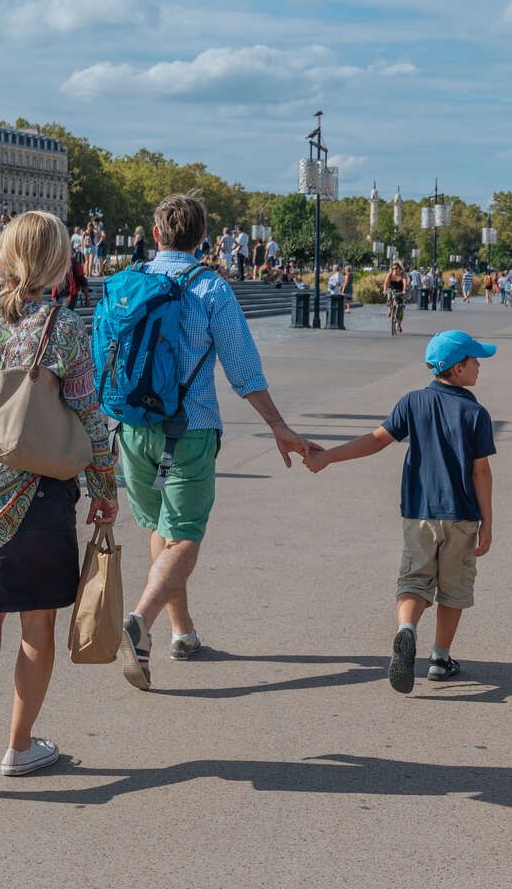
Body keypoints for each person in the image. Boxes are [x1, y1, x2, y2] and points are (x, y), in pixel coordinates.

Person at [0, 210, 117, 780]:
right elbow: (90, 417)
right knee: (36, 627)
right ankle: (18, 746)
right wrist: (104, 488)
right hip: (37, 490)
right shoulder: (62, 327)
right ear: (58, 261)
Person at [115, 194, 315, 688]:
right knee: (183, 534)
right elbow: (243, 368)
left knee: (161, 526)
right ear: (203, 238)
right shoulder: (210, 288)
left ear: (155, 233)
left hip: (134, 427)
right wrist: (278, 426)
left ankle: (181, 632)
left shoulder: (127, 282)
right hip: (191, 427)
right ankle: (141, 619)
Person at [305, 330, 496, 690]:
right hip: (462, 514)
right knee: (453, 588)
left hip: (418, 512)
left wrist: (328, 457)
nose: (479, 365)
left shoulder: (412, 402)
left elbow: (376, 441)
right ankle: (440, 657)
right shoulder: (475, 412)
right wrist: (487, 522)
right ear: (457, 369)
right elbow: (481, 471)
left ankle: (406, 630)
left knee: (414, 579)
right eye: (474, 360)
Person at [385, 261, 408, 335]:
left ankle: (398, 324)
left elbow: (405, 283)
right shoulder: (390, 273)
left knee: (400, 307)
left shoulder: (402, 274)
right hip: (391, 289)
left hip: (399, 290)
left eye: (396, 268)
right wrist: (384, 290)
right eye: (393, 268)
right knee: (389, 295)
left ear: (399, 268)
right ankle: (390, 308)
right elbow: (386, 283)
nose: (394, 269)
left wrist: (404, 290)